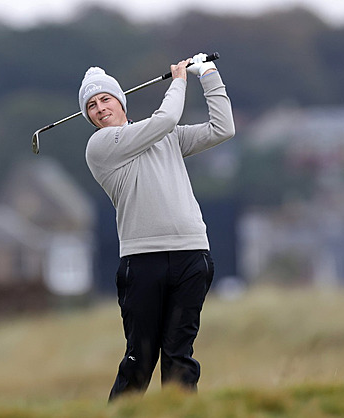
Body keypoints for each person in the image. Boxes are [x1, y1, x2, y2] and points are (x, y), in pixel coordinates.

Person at [79, 53, 235, 401]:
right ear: (88, 116)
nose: (100, 108)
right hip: (143, 261)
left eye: (105, 99)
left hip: (191, 255)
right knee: (140, 359)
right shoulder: (101, 146)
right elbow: (165, 119)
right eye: (91, 105)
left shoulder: (166, 137)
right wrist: (179, 79)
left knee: (180, 357)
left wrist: (207, 73)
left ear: (120, 100)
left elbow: (223, 128)